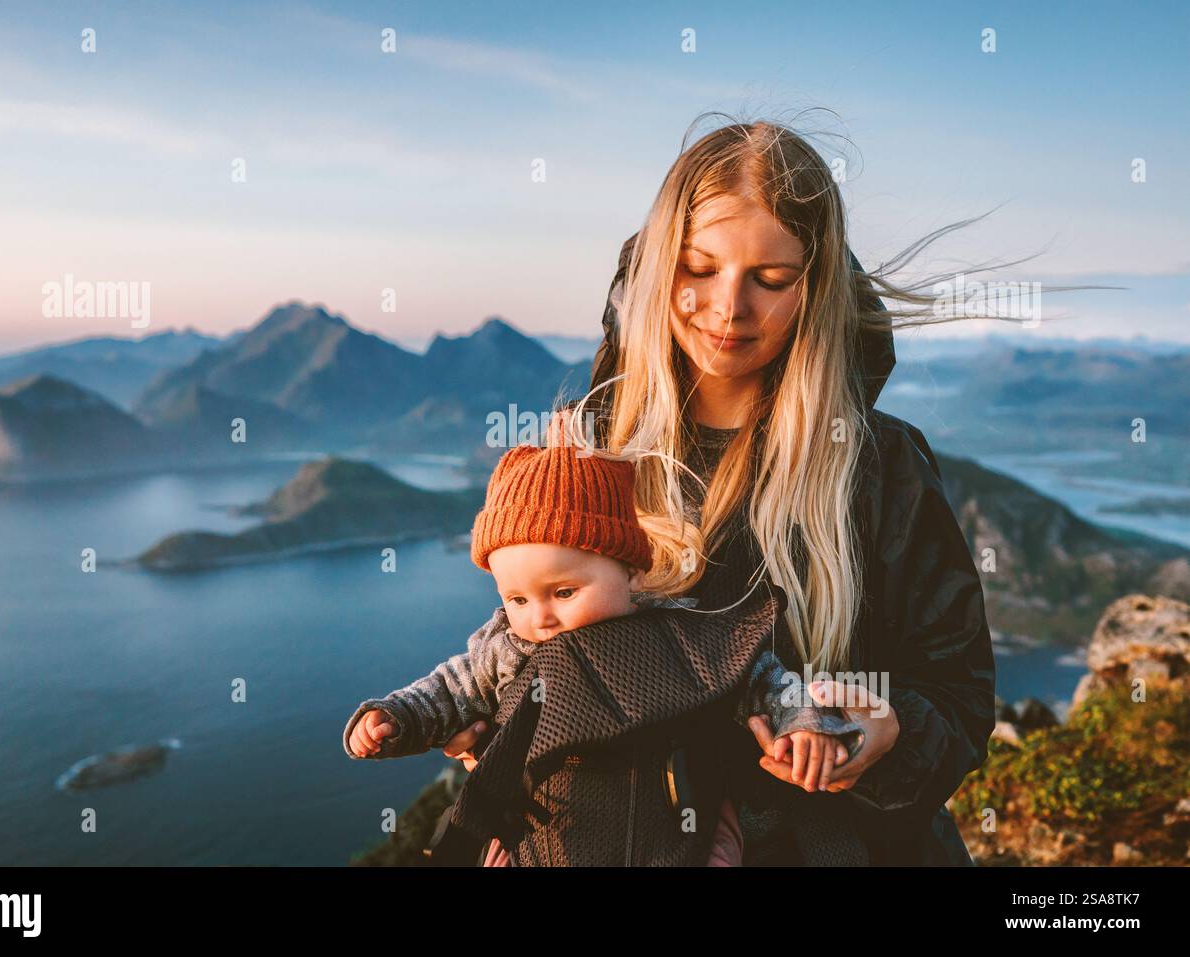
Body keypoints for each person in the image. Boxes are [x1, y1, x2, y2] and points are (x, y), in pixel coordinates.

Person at [441, 116, 1000, 866]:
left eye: (771, 280)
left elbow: (959, 700)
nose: (728, 307)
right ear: (655, 266)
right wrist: (503, 733)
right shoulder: (586, 444)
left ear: (818, 287)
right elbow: (533, 639)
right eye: (698, 268)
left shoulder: (880, 467)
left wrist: (888, 734)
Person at [343, 424, 866, 865]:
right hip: (543, 840)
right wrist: (395, 719)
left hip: (679, 840)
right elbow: (448, 690)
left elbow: (767, 684)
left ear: (633, 571)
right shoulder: (505, 648)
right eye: (517, 599)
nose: (541, 617)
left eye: (564, 592)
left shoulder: (683, 634)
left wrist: (806, 727)